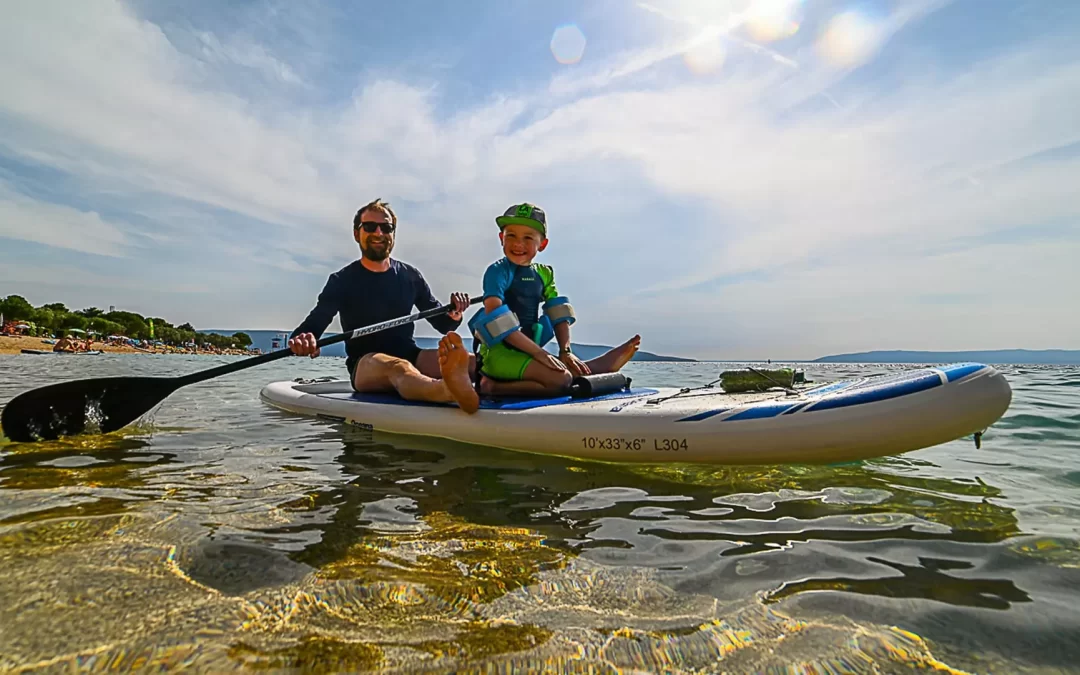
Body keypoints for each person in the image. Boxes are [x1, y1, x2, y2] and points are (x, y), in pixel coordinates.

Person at [288, 198, 480, 413]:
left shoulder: (411, 276)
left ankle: (494, 384)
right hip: (366, 365)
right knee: (399, 367)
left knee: (474, 362)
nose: (379, 233)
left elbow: (444, 326)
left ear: (393, 234)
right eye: (370, 227)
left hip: (410, 354)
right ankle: (448, 391)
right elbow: (315, 322)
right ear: (356, 234)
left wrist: (454, 313)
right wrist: (304, 338)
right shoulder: (342, 280)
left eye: (386, 227)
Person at [460, 202, 640, 399]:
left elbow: (558, 312)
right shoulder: (497, 272)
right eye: (511, 236)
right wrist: (540, 354)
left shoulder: (544, 273)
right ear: (501, 238)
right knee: (561, 381)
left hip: (529, 352)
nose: (518, 243)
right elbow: (497, 321)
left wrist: (565, 351)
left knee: (563, 367)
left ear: (542, 244)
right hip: (498, 355)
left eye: (528, 237)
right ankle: (491, 386)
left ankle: (585, 368)